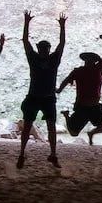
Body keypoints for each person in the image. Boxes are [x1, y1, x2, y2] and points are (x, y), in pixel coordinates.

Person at [18, 12, 66, 168]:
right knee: (29, 126)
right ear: (40, 49)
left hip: (45, 97)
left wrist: (62, 26)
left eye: (45, 48)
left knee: (49, 126)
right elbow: (25, 41)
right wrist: (26, 23)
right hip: (38, 97)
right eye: (42, 48)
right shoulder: (41, 59)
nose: (44, 50)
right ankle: (23, 153)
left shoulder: (48, 59)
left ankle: (52, 154)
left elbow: (62, 43)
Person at [59, 34, 102, 144]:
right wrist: (59, 89)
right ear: (85, 60)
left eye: (91, 59)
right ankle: (66, 116)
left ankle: (91, 133)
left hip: (94, 106)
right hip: (82, 107)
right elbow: (66, 79)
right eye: (88, 59)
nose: (89, 61)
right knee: (74, 133)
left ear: (94, 61)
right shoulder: (78, 71)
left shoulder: (98, 69)